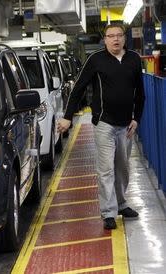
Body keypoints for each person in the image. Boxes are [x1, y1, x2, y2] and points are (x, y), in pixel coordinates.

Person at [57, 24, 145, 230]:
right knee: (106, 169)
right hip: (104, 123)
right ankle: (108, 212)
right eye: (110, 36)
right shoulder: (95, 60)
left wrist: (137, 118)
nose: (115, 39)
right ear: (104, 40)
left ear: (124, 38)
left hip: (126, 125)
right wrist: (68, 117)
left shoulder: (133, 59)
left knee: (122, 169)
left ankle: (122, 204)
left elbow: (140, 93)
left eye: (119, 36)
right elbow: (78, 88)